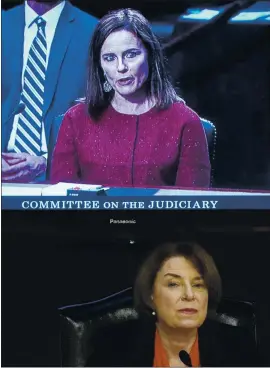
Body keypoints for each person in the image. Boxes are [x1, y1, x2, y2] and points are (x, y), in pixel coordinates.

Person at [50, 8, 211, 188]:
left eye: (131, 55)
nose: (121, 67)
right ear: (100, 65)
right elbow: (62, 204)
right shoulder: (75, 120)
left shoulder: (185, 122)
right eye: (109, 58)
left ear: (150, 56)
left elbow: (193, 206)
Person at [87, 241, 259, 366]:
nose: (189, 295)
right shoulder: (114, 346)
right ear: (150, 295)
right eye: (174, 284)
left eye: (198, 285)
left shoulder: (237, 346)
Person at [1, 0, 98, 182]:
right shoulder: (3, 23)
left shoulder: (94, 32)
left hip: (62, 179)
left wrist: (48, 162)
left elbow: (107, 122)